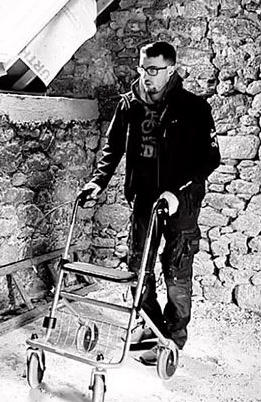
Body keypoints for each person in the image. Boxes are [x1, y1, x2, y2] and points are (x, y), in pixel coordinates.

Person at [76, 41, 220, 365]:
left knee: (176, 272)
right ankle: (151, 326)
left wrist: (177, 192)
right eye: (142, 68)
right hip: (143, 201)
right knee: (137, 268)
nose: (145, 75)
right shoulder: (129, 105)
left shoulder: (194, 108)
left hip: (180, 204)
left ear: (170, 69)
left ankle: (172, 340)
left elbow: (210, 160)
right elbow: (112, 150)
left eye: (153, 69)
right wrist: (97, 182)